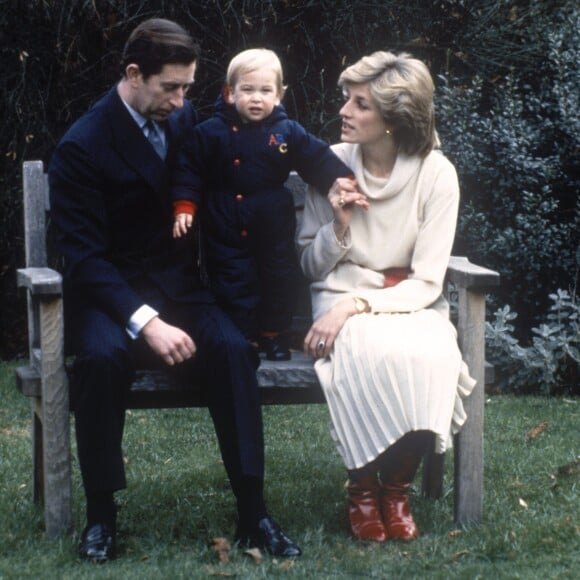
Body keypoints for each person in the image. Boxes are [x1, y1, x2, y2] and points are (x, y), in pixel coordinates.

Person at [49, 18, 301, 562]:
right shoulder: (83, 145)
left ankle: (255, 512)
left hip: (182, 289)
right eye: (171, 87)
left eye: (188, 87)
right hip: (109, 298)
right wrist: (147, 320)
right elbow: (85, 259)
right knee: (99, 360)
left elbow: (254, 151)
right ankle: (101, 516)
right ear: (134, 74)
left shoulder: (185, 120)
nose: (183, 100)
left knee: (235, 351)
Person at [297, 51, 476, 542]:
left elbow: (428, 281)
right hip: (340, 290)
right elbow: (309, 266)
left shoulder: (437, 174)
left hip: (406, 299)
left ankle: (396, 488)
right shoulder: (328, 165)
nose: (344, 112)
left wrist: (358, 307)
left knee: (434, 354)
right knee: (367, 351)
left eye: (361, 105)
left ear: (394, 120)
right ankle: (361, 486)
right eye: (347, 101)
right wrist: (339, 224)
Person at [170, 48, 352, 361]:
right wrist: (185, 206)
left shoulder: (287, 132)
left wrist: (341, 180)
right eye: (248, 90)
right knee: (232, 278)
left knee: (277, 276)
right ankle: (244, 337)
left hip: (273, 223)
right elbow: (188, 169)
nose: (257, 98)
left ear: (279, 95)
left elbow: (317, 158)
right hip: (224, 222)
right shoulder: (208, 133)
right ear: (229, 93)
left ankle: (273, 335)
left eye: (266, 91)